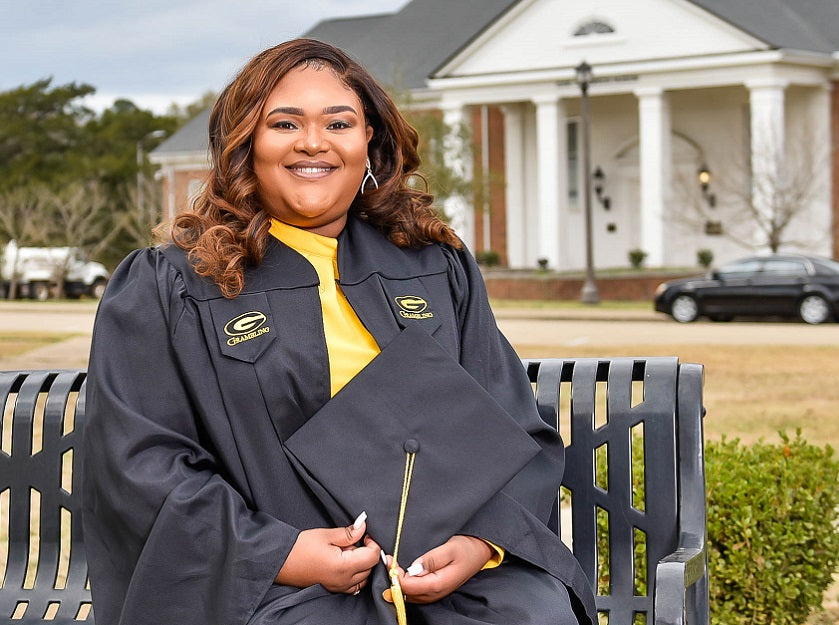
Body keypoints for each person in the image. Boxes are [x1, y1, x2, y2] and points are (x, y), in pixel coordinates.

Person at [82, 38, 596, 625]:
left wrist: (480, 544)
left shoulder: (433, 266)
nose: (313, 142)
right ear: (245, 144)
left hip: (444, 576)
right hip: (269, 586)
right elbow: (141, 461)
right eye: (284, 123)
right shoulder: (172, 285)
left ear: (368, 142)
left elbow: (507, 427)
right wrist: (280, 553)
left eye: (339, 122)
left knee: (531, 613)